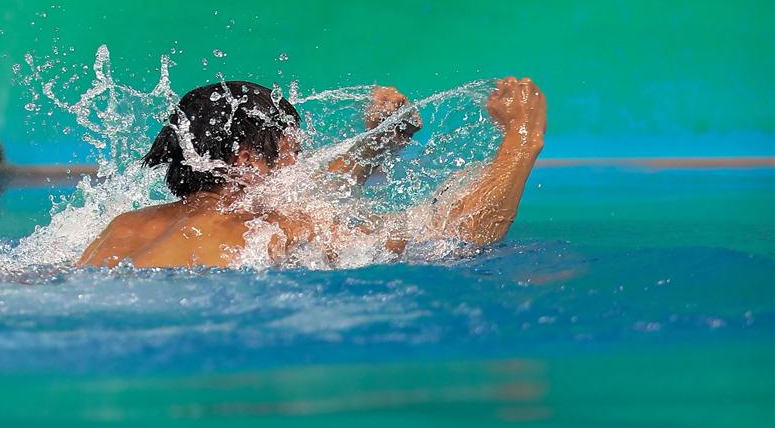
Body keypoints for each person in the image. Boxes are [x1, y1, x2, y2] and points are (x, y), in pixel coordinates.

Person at [77, 77, 546, 268]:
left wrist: (381, 141)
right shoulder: (268, 230)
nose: (299, 169)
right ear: (246, 160)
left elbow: (310, 189)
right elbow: (462, 235)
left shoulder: (123, 227)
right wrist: (523, 139)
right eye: (291, 155)